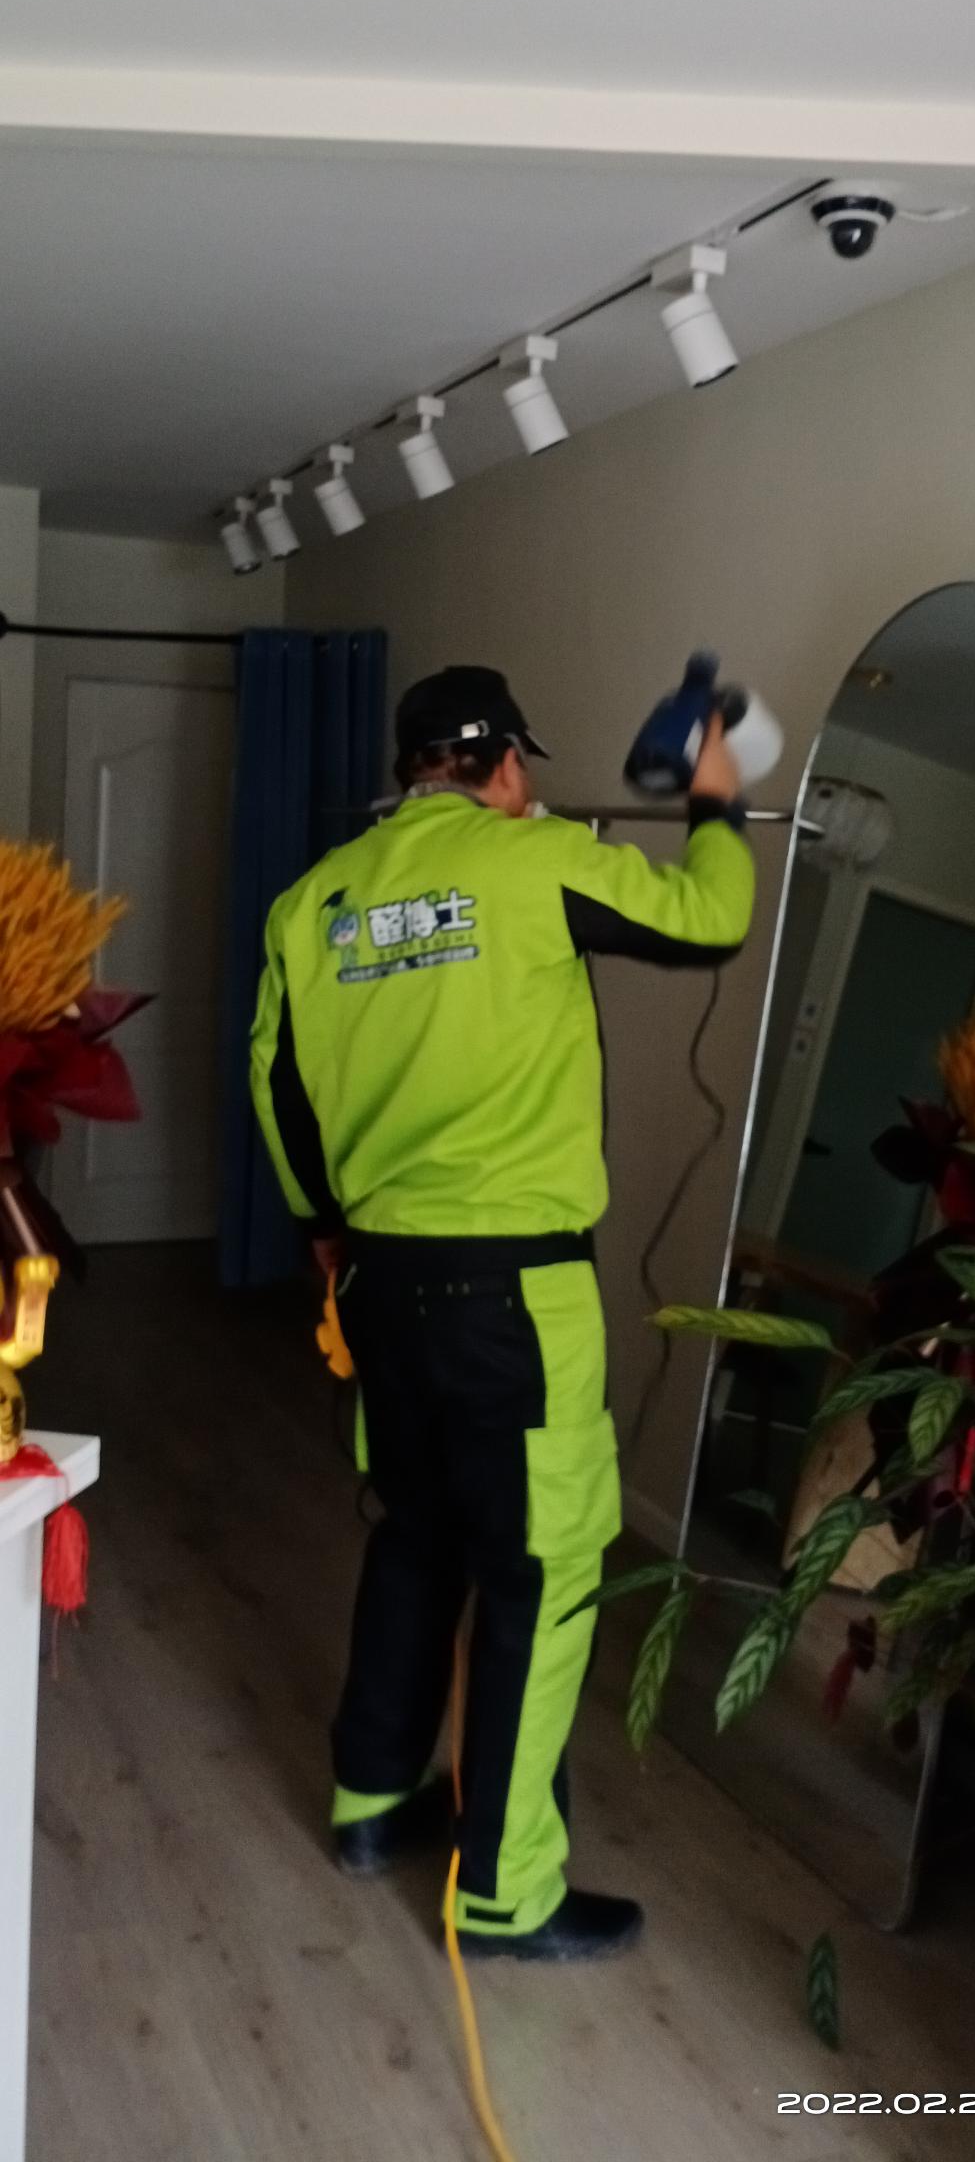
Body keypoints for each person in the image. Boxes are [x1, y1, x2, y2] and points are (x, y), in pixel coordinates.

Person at [250, 664, 755, 1962]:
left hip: (379, 1282)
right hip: (514, 1297)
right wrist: (713, 797)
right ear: (506, 766)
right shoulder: (536, 862)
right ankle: (505, 1893)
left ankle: (371, 1803)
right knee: (541, 1573)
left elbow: (278, 1091)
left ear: (415, 766)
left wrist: (325, 1233)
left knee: (417, 1536)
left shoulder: (312, 904)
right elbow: (708, 921)